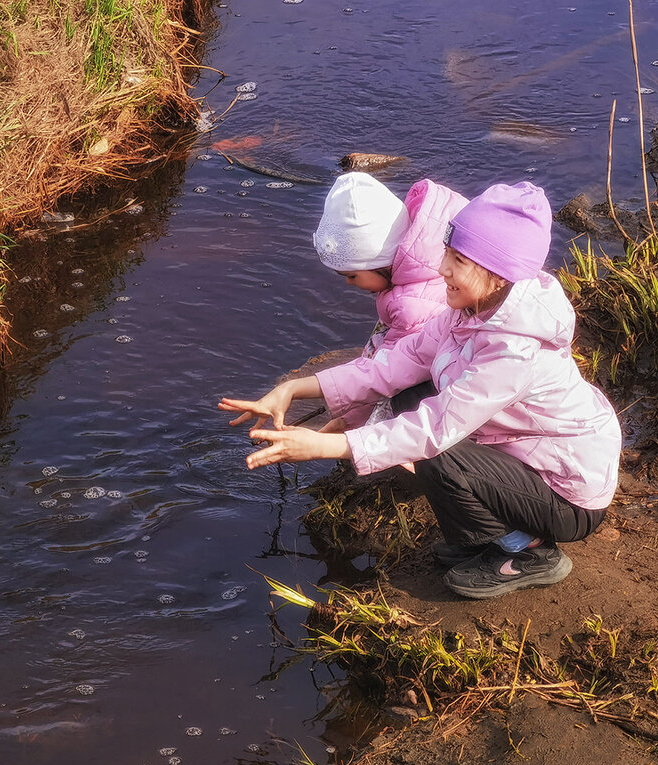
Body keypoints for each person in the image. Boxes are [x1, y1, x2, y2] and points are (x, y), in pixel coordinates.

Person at [219, 182, 622, 600]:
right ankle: (489, 536)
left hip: (567, 494)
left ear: (498, 272)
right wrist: (296, 388)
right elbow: (398, 362)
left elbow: (434, 430)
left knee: (438, 452)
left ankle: (531, 552)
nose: (443, 267)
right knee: (408, 398)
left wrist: (328, 446)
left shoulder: (513, 350)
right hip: (524, 453)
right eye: (447, 252)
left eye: (459, 260)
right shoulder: (470, 310)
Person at [312, 171, 469, 427]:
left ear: (380, 262)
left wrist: (346, 423)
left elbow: (386, 373)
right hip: (452, 367)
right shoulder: (427, 263)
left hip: (449, 393)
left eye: (352, 275)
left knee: (400, 401)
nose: (350, 284)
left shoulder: (411, 306)